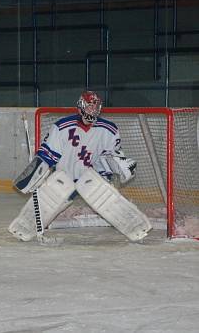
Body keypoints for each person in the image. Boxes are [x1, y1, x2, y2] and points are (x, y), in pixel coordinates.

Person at [9, 91, 151, 242]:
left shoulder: (109, 129)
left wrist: (120, 166)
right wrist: (33, 175)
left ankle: (137, 229)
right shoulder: (61, 127)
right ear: (80, 107)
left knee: (111, 204)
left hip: (93, 179)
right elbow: (47, 155)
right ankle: (23, 229)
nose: (92, 110)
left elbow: (110, 157)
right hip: (65, 179)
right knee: (47, 205)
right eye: (89, 107)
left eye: (95, 107)